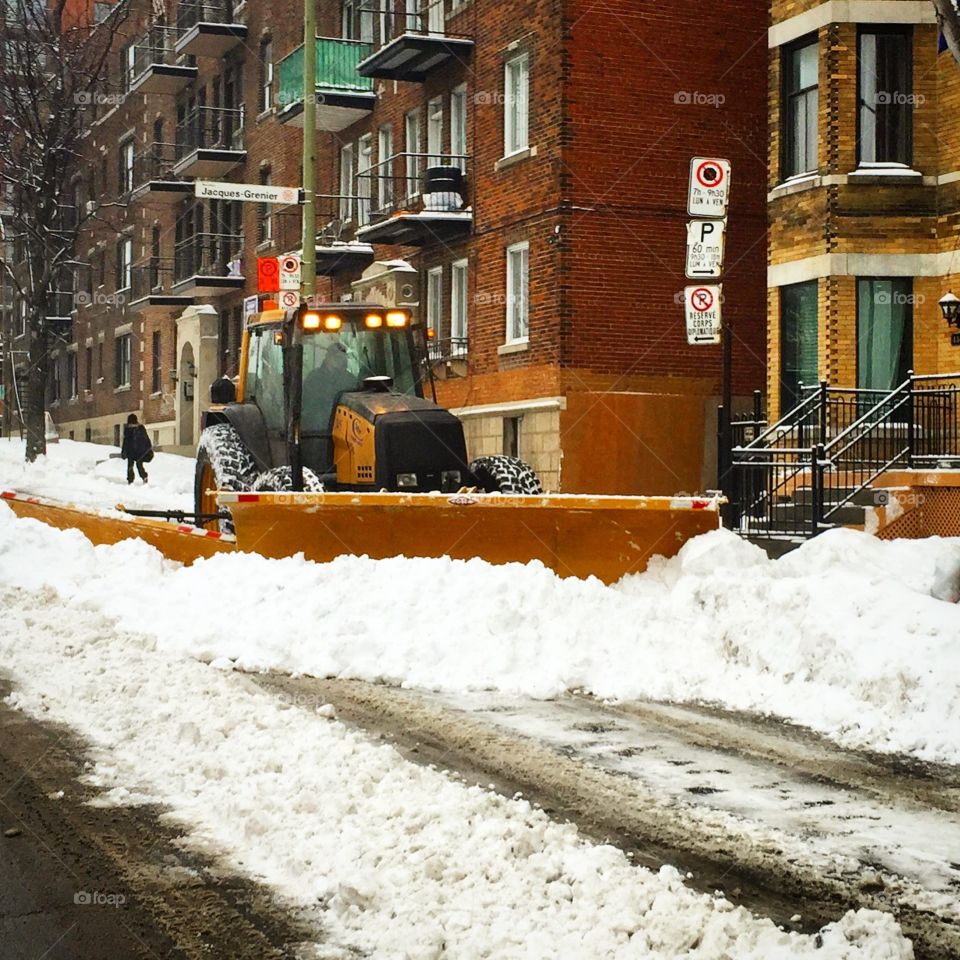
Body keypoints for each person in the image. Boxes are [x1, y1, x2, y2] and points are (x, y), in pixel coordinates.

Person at [121, 413, 153, 484]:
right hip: (133, 451)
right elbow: (126, 441)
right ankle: (131, 480)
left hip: (138, 451)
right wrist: (123, 451)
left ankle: (143, 477)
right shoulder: (129, 429)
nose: (130, 425)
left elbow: (145, 440)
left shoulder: (139, 429)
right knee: (132, 465)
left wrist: (145, 450)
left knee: (137, 464)